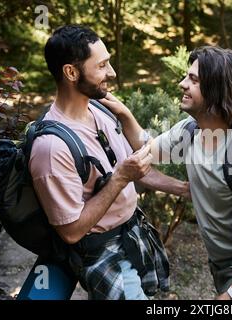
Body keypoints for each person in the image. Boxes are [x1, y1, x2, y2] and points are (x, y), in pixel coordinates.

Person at [101, 46, 232, 300]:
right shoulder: (190, 131)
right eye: (186, 76)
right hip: (223, 261)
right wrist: (124, 114)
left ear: (217, 90)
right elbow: (147, 148)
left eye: (193, 80)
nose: (182, 84)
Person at [30, 25, 190, 300]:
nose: (112, 73)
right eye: (102, 65)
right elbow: (70, 232)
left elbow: (138, 167)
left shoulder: (99, 108)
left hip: (131, 233)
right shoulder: (51, 148)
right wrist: (119, 178)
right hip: (103, 253)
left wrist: (186, 190)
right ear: (71, 72)